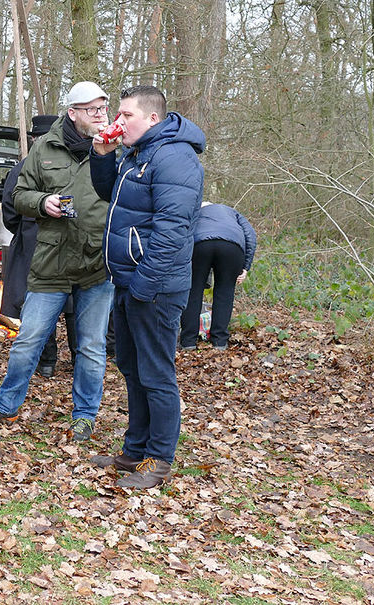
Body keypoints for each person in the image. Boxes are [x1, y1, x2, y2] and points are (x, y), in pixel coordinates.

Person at [0, 82, 114, 442]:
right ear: (73, 113)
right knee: (28, 340)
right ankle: (4, 406)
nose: (100, 115)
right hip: (51, 261)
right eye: (92, 109)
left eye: (103, 107)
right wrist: (42, 202)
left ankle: (84, 416)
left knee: (92, 347)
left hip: (98, 262)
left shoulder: (118, 147)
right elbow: (17, 195)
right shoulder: (44, 148)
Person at [89, 84, 205, 489]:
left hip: (155, 286)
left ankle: (158, 459)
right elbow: (113, 197)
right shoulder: (139, 153)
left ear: (152, 118)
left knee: (156, 373)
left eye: (126, 115)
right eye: (117, 115)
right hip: (129, 280)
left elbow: (172, 233)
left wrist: (143, 285)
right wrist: (102, 157)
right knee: (132, 368)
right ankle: (135, 450)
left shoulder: (175, 158)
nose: (117, 122)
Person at [0, 114, 77, 378]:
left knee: (42, 301)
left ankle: (47, 361)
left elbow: (9, 211)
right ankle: (77, 357)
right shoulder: (72, 166)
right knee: (70, 302)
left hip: (36, 240)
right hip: (64, 241)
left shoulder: (22, 167)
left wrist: (25, 230)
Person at [179, 202, 256, 351]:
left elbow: (182, 232)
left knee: (193, 291)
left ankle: (188, 341)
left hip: (200, 245)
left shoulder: (194, 212)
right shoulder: (232, 213)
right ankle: (220, 341)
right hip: (232, 247)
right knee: (225, 291)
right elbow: (250, 235)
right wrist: (246, 266)